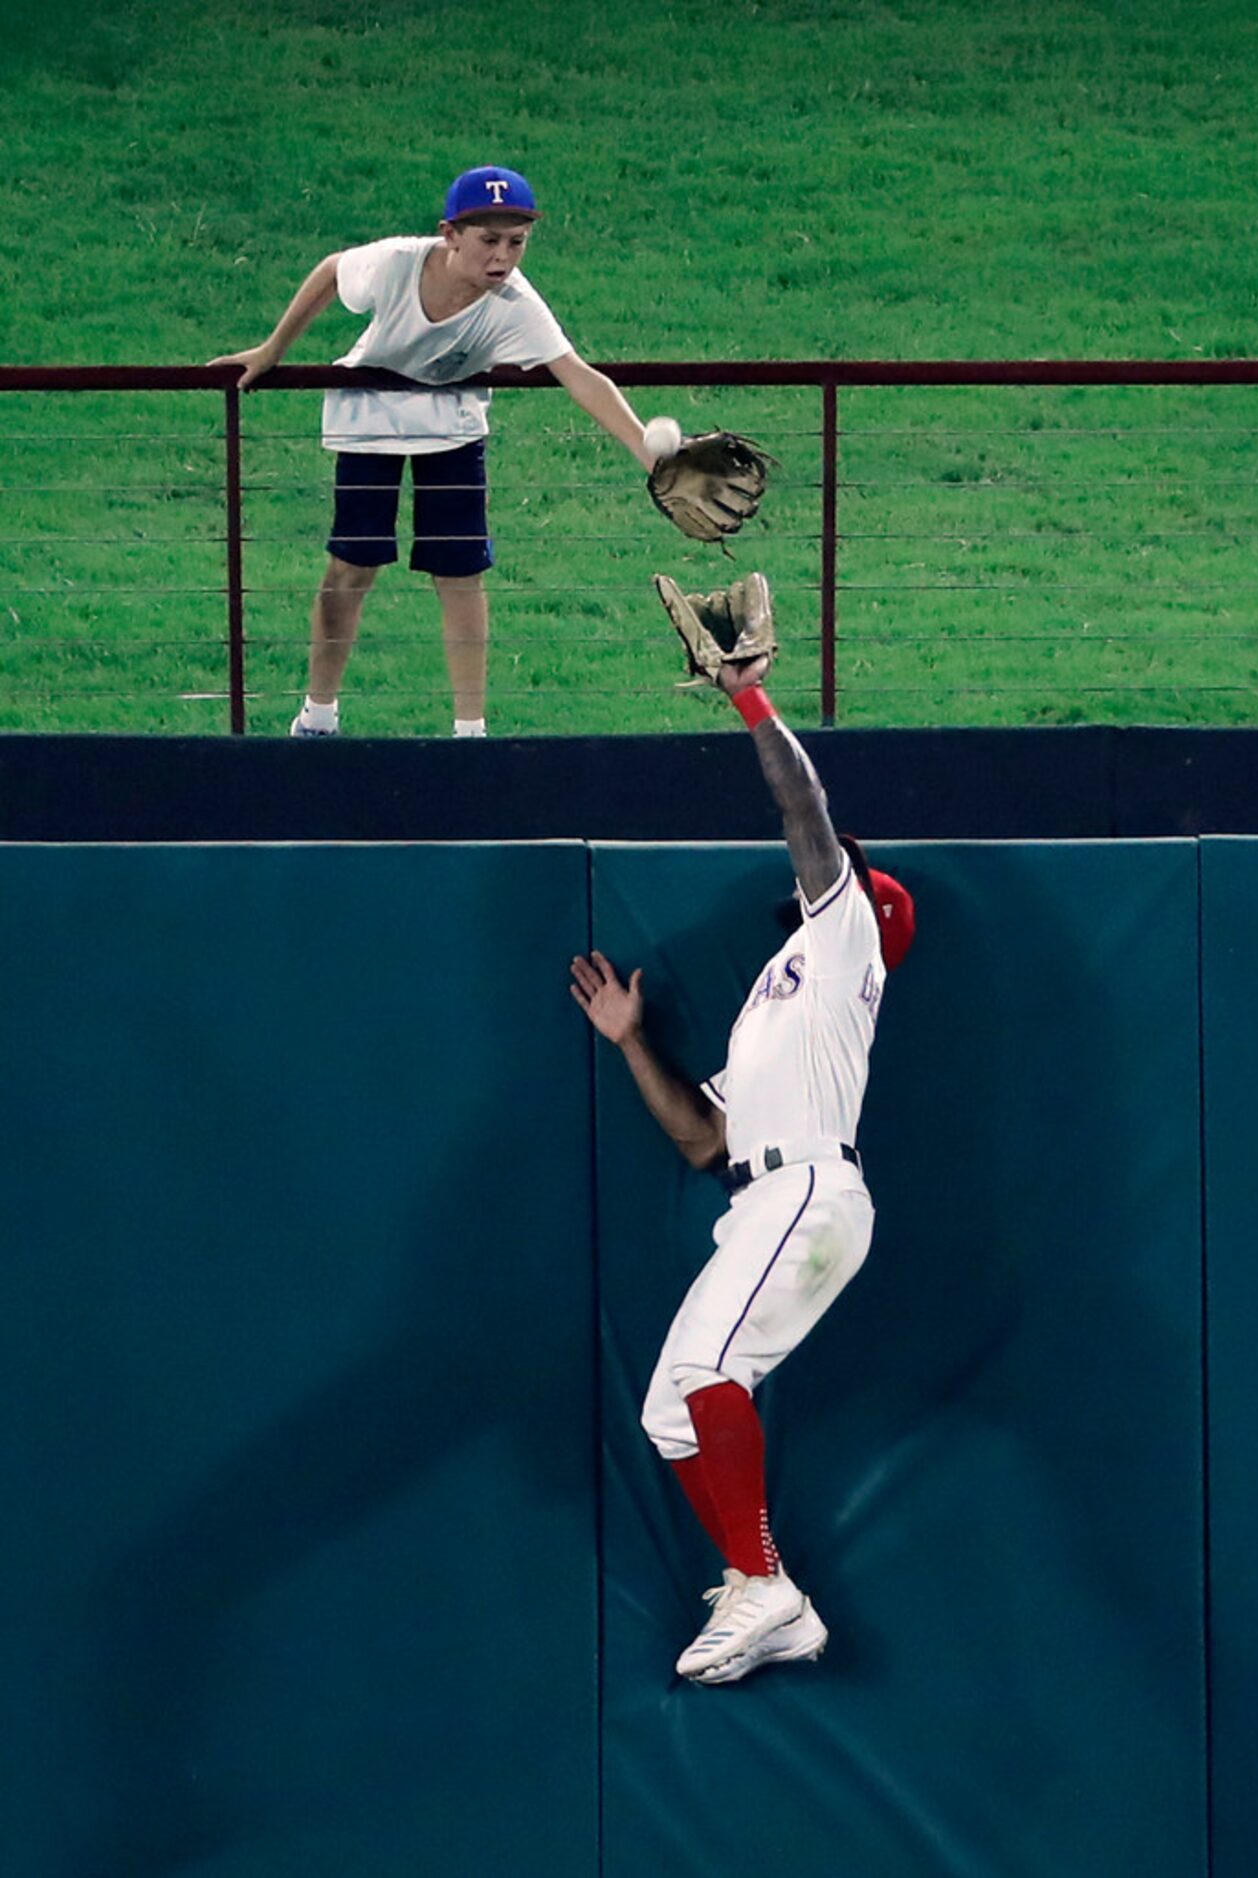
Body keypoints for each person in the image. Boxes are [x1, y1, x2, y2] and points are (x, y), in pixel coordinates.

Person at [570, 631, 915, 1686]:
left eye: (822, 881)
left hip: (809, 1192)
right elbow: (702, 1139)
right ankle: (771, 1595)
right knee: (670, 1407)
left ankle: (763, 1586)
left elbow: (805, 816)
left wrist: (751, 701)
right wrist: (634, 1042)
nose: (802, 890)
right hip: (767, 1195)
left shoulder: (850, 931)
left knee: (701, 1375)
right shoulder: (780, 1011)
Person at [209, 165, 657, 738]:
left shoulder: (516, 303)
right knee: (352, 566)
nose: (503, 257)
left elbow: (580, 377)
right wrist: (273, 350)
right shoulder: (396, 262)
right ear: (450, 235)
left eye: (516, 242)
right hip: (370, 418)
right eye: (488, 241)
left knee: (460, 573)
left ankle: (470, 732)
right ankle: (317, 719)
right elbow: (329, 272)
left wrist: (652, 457)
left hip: (452, 428)